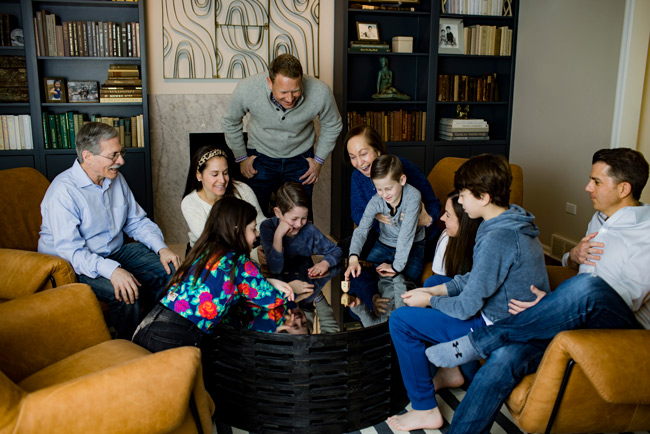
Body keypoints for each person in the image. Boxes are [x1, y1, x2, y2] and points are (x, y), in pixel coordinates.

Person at [426, 148, 650, 434]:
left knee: (587, 287)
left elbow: (619, 301)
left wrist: (557, 304)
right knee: (504, 358)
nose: (587, 187)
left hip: (620, 331)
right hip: (569, 318)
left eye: (596, 181)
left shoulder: (646, 234)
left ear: (624, 188)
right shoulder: (601, 220)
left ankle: (482, 339)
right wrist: (573, 256)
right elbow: (572, 265)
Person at [386, 153, 549, 432]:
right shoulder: (509, 221)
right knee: (431, 288)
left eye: (463, 195)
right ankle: (449, 371)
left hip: (497, 328)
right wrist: (438, 288)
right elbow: (478, 277)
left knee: (401, 321)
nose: (460, 201)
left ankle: (425, 409)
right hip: (496, 316)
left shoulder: (498, 237)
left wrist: (430, 300)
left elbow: (466, 307)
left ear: (483, 197)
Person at [38, 122, 180, 338]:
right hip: (73, 264)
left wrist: (162, 249)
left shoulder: (115, 179)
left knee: (171, 271)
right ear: (88, 157)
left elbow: (136, 222)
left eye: (121, 152)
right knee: (125, 292)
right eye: (113, 155)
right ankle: (132, 349)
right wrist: (112, 271)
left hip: (112, 250)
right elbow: (72, 252)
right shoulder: (63, 192)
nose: (121, 161)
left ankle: (159, 335)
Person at [132, 196, 313, 352]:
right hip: (173, 338)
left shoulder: (206, 251)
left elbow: (243, 286)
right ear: (236, 229)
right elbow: (271, 299)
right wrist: (293, 288)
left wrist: (270, 281)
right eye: (252, 229)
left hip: (148, 325)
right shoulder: (238, 262)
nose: (256, 235)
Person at [221, 53, 343, 214]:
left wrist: (319, 160)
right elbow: (230, 121)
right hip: (259, 158)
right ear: (269, 82)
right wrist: (241, 158)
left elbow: (333, 124)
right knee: (253, 215)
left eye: (296, 91)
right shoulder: (247, 88)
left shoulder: (320, 91)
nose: (290, 98)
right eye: (283, 92)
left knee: (300, 218)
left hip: (300, 160)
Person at [343, 125, 441, 309]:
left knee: (402, 278)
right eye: (352, 157)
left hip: (415, 240)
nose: (359, 163)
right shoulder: (358, 178)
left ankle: (397, 312)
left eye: (363, 154)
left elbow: (433, 205)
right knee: (346, 255)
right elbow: (358, 216)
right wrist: (378, 215)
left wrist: (427, 219)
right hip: (382, 236)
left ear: (378, 150)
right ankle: (373, 301)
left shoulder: (404, 171)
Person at [345, 154, 426, 319]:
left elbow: (406, 235)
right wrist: (354, 257)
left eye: (388, 188)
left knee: (407, 278)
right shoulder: (377, 200)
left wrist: (396, 267)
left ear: (402, 180)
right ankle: (371, 295)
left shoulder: (413, 196)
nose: (384, 194)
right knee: (355, 270)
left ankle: (387, 288)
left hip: (412, 245)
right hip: (385, 244)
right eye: (379, 189)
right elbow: (361, 230)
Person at [259, 182, 343, 333]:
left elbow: (336, 250)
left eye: (304, 218)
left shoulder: (308, 230)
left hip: (305, 275)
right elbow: (275, 267)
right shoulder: (268, 228)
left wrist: (325, 263)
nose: (299, 224)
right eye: (294, 219)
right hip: (281, 282)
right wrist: (278, 235)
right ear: (278, 213)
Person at [181, 146, 266, 254]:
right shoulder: (190, 203)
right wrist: (254, 255)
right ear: (199, 175)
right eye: (214, 174)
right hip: (206, 252)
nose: (222, 180)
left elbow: (261, 223)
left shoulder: (242, 189)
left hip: (247, 247)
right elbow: (213, 242)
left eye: (225, 173)